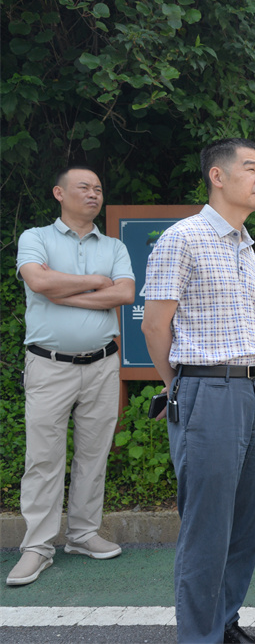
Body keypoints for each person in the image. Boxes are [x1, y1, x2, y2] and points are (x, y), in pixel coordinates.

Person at [142, 138, 255, 644]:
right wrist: (176, 385)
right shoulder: (183, 238)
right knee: (207, 527)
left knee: (243, 523)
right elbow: (156, 325)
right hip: (207, 391)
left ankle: (225, 622)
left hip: (252, 388)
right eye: (251, 168)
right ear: (217, 176)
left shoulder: (246, 246)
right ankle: (199, 636)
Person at [8, 166, 135, 587]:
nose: (93, 193)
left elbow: (125, 293)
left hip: (102, 364)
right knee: (43, 458)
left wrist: (62, 293)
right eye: (84, 187)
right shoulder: (36, 238)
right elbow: (37, 280)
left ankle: (82, 534)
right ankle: (37, 546)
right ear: (59, 193)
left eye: (98, 188)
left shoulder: (114, 246)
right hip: (48, 365)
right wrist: (95, 284)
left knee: (93, 454)